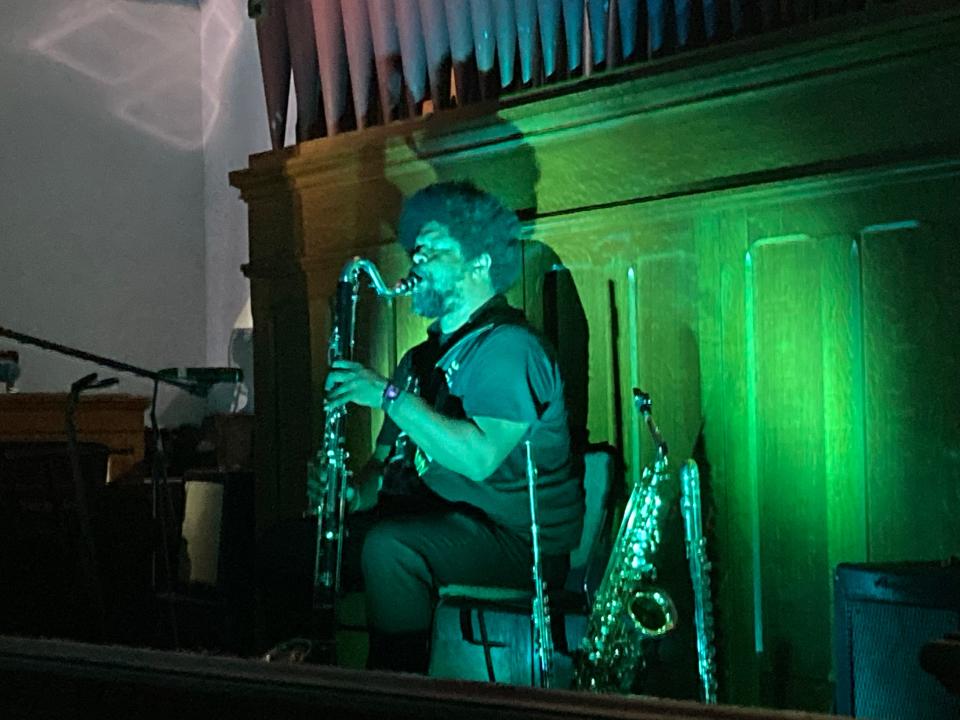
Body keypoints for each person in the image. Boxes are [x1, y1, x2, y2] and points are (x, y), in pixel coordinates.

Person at [322, 181, 584, 674]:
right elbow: (386, 466)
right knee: (283, 547)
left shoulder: (509, 348)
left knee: (389, 549)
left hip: (516, 542)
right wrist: (350, 493)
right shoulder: (418, 360)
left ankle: (403, 695)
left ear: (481, 262)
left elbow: (478, 458)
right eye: (415, 252)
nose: (415, 264)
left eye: (433, 251)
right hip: (441, 518)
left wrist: (386, 395)